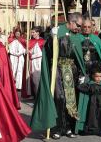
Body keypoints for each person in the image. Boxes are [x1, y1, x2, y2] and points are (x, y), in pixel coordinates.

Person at [30, 12, 85, 140]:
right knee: (59, 98)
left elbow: (79, 56)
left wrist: (82, 72)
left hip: (72, 71)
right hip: (58, 70)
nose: (79, 28)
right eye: (78, 25)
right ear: (71, 22)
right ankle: (56, 128)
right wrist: (51, 38)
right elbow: (48, 51)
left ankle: (68, 128)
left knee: (71, 99)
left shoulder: (76, 35)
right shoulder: (57, 31)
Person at [76, 67, 101, 138]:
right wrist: (81, 82)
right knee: (93, 117)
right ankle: (91, 129)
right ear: (93, 76)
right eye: (97, 76)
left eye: (100, 76)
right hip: (93, 104)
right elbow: (81, 87)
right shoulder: (90, 84)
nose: (99, 78)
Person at [24, 26, 45, 97]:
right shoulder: (30, 41)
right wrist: (27, 52)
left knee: (41, 79)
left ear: (38, 33)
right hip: (33, 62)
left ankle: (41, 95)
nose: (32, 34)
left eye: (33, 32)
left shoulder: (43, 41)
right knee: (35, 80)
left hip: (40, 61)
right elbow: (29, 52)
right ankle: (36, 95)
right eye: (31, 32)